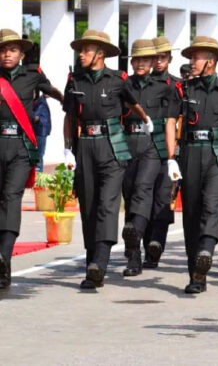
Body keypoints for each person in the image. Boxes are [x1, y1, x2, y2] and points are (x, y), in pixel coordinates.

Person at [64, 29, 151, 290]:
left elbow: (134, 104)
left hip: (113, 147)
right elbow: (70, 116)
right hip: (85, 147)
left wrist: (146, 121)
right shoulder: (74, 81)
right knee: (88, 206)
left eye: (87, 50)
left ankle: (99, 264)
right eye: (81, 50)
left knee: (107, 204)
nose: (81, 54)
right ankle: (92, 261)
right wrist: (67, 149)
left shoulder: (117, 80)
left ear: (100, 54)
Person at [170, 36, 218, 294]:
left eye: (197, 57)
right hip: (189, 152)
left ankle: (206, 251)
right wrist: (170, 158)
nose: (192, 61)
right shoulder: (184, 90)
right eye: (192, 57)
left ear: (211, 60)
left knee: (212, 205)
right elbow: (169, 120)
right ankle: (196, 276)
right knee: (192, 213)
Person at [0, 29, 62, 288]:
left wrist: (72, 101)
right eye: (3, 50)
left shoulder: (32, 75)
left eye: (12, 50)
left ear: (22, 54)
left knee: (11, 197)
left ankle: (4, 254)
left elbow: (55, 93)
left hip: (21, 148)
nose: (6, 54)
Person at [119, 39, 180, 277]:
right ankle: (134, 251)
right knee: (131, 194)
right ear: (132, 62)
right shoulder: (123, 86)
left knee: (151, 195)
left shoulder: (167, 86)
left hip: (155, 147)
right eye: (137, 59)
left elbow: (174, 121)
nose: (142, 63)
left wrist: (173, 154)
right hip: (127, 145)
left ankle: (145, 243)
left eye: (147, 59)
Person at [140, 36, 182, 269]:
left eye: (162, 58)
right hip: (144, 147)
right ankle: (145, 244)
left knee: (164, 198)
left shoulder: (177, 85)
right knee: (143, 197)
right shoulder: (140, 83)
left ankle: (156, 244)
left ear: (169, 59)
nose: (158, 62)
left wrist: (176, 152)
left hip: (168, 148)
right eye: (154, 57)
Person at [32, 92, 52, 171]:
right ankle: (39, 172)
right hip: (41, 131)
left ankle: (38, 171)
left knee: (40, 153)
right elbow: (35, 117)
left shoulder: (41, 101)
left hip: (42, 131)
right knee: (40, 153)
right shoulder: (41, 102)